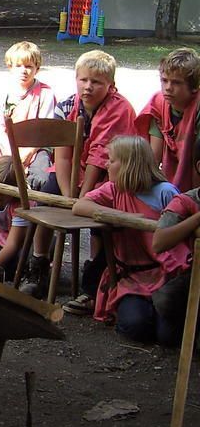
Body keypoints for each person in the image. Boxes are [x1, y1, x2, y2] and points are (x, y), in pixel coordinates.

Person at [25, 50, 137, 309]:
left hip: (109, 174)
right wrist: (67, 198)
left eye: (96, 82)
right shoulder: (66, 106)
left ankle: (93, 283)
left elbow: (100, 158)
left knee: (99, 214)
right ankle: (38, 265)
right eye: (83, 80)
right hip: (72, 171)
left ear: (110, 85)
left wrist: (84, 198)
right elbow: (63, 156)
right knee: (47, 198)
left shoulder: (119, 109)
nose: (88, 86)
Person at [72, 135, 190, 344]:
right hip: (132, 278)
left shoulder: (165, 193)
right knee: (135, 327)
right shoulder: (114, 189)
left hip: (166, 275)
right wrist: (122, 216)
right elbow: (80, 205)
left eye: (112, 160)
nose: (106, 164)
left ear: (129, 164)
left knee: (167, 337)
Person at [0, 41, 56, 190]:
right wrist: (12, 155)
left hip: (33, 146)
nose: (23, 71)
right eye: (18, 66)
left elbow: (44, 130)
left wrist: (27, 153)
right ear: (10, 67)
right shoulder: (0, 89)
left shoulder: (46, 94)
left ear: (37, 68)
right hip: (1, 142)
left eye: (28, 66)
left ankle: (29, 204)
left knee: (42, 177)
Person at [152, 136, 200, 344]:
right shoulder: (187, 200)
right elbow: (159, 242)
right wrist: (197, 218)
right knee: (166, 310)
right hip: (195, 277)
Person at [137, 47, 200, 191]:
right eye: (164, 80)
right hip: (168, 180)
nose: (168, 87)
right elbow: (154, 157)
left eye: (176, 82)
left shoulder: (197, 107)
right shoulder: (159, 103)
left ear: (194, 87)